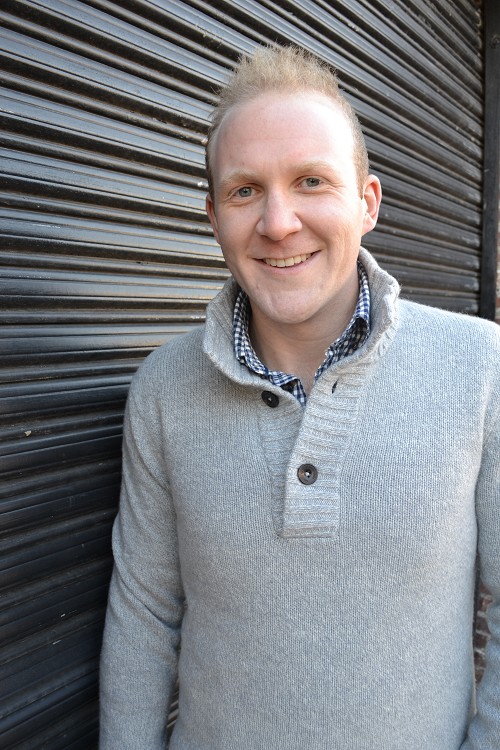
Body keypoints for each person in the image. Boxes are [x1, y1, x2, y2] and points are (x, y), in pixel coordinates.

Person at [99, 45, 500, 749]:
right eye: (245, 191)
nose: (278, 222)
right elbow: (143, 618)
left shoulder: (480, 367)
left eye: (311, 181)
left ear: (367, 203)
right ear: (213, 217)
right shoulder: (163, 387)